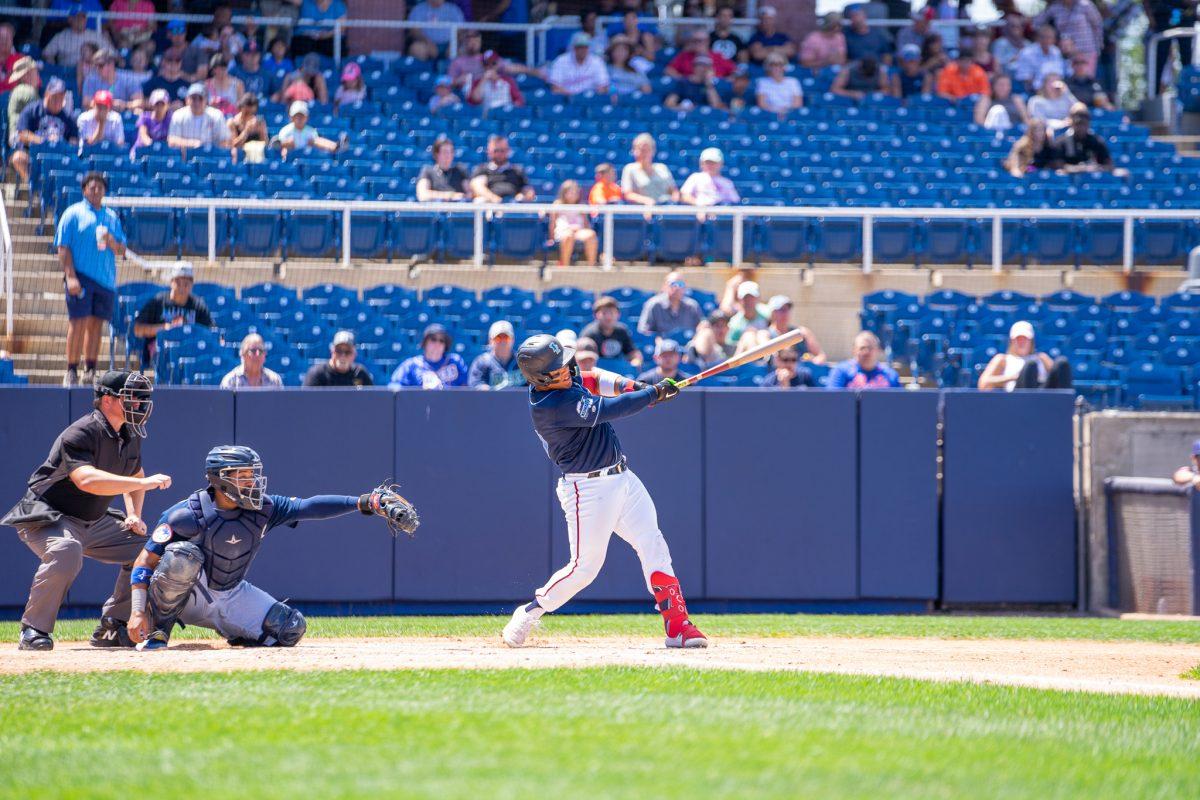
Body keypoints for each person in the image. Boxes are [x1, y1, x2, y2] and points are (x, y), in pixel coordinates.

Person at [501, 334, 706, 649]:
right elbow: (614, 409)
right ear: (543, 377)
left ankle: (678, 626)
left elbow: (594, 378)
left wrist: (633, 386)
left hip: (622, 477)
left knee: (652, 542)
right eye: (559, 367)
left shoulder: (561, 381)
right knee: (585, 568)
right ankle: (530, 612)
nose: (568, 369)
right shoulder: (553, 406)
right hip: (588, 489)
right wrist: (652, 394)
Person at [125, 446, 417, 650]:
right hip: (189, 596)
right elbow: (143, 562)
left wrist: (364, 502)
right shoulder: (186, 514)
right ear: (219, 478)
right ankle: (159, 630)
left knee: (290, 628)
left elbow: (309, 506)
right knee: (181, 557)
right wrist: (138, 612)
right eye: (242, 476)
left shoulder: (264, 508)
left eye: (252, 475)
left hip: (230, 592)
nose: (251, 482)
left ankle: (236, 632)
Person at [0, 370, 168, 651]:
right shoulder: (80, 432)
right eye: (129, 396)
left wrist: (134, 514)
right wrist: (144, 482)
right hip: (48, 516)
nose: (137, 403)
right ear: (106, 400)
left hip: (92, 519)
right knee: (66, 550)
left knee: (149, 550)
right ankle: (33, 629)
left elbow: (135, 475)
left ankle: (113, 626)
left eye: (139, 397)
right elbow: (87, 480)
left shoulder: (129, 434)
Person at [55, 172, 125, 387]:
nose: (96, 191)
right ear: (84, 189)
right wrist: (71, 276)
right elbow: (62, 247)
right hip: (81, 277)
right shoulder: (72, 214)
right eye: (92, 187)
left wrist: (112, 241)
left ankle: (90, 369)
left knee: (96, 326)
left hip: (105, 281)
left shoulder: (111, 217)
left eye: (100, 188)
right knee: (78, 323)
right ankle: (71, 370)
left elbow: (122, 249)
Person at [132, 264, 214, 367]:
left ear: (192, 285)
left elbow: (210, 331)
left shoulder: (198, 305)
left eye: (186, 283)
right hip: (163, 353)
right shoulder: (158, 301)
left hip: (190, 352)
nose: (182, 287)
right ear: (171, 282)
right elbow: (137, 329)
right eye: (178, 282)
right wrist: (164, 328)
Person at [9, 79, 78, 185]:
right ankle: (33, 185)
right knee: (18, 158)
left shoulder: (68, 117)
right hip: (33, 157)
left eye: (61, 96)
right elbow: (22, 134)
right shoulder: (32, 110)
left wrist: (61, 144)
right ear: (46, 93)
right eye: (55, 96)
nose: (58, 100)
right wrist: (45, 141)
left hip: (58, 159)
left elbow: (74, 141)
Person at [977, 320, 1072, 391]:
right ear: (1011, 341)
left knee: (1061, 363)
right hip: (1018, 397)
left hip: (1042, 395)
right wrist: (1014, 377)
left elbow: (1057, 377)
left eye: (1025, 339)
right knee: (1030, 365)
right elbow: (983, 383)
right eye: (1018, 339)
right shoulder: (1003, 359)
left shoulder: (1041, 358)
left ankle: (1065, 407)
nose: (1021, 343)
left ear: (1031, 341)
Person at [1035, 0, 1103, 77]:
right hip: (1067, 53)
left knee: (1086, 80)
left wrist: (1098, 46)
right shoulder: (1056, 7)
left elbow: (1097, 25)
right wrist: (1054, 38)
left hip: (1086, 51)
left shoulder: (1085, 4)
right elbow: (1037, 23)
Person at [390, 323, 469, 389]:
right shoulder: (412, 364)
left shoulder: (455, 361)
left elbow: (467, 387)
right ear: (425, 342)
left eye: (441, 341)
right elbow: (394, 387)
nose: (437, 344)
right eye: (433, 339)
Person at [760, 294, 826, 363]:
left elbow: (821, 356)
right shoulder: (765, 334)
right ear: (772, 312)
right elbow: (770, 356)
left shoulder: (802, 333)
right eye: (781, 310)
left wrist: (812, 362)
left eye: (787, 309)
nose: (785, 313)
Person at [470, 135, 536, 203]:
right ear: (489, 151)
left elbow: (527, 190)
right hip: (489, 204)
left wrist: (523, 196)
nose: (499, 154)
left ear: (508, 151)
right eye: (496, 150)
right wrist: (494, 199)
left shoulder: (517, 171)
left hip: (512, 205)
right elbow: (477, 186)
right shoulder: (482, 169)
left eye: (502, 150)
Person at [1056, 103, 1118, 174]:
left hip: (1092, 182)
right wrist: (1081, 169)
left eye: (1083, 124)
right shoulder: (1061, 142)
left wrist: (1097, 168)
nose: (1081, 128)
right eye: (1078, 124)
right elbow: (1057, 167)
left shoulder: (1096, 141)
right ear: (1071, 123)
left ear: (1088, 123)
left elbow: (1109, 165)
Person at [581, 295, 642, 367]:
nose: (608, 317)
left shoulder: (622, 331)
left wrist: (636, 361)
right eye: (604, 313)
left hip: (617, 371)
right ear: (595, 315)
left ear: (618, 315)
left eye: (612, 313)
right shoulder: (589, 334)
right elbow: (582, 359)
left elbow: (632, 353)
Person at [638, 271, 703, 338]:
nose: (677, 288)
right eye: (673, 284)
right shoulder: (653, 305)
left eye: (680, 284)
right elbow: (644, 331)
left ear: (685, 288)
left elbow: (701, 329)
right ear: (664, 286)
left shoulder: (692, 306)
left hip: (688, 345)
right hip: (662, 345)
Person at [43, 5, 112, 67]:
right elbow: (47, 53)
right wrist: (51, 63)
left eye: (83, 17)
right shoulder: (61, 36)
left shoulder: (96, 36)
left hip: (91, 72)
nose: (81, 20)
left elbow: (112, 54)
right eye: (77, 17)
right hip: (67, 73)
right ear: (70, 19)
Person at [621, 133, 679, 206]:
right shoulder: (630, 169)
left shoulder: (662, 168)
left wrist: (674, 201)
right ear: (634, 151)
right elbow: (628, 194)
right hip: (641, 211)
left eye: (647, 150)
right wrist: (647, 201)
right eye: (641, 150)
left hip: (665, 209)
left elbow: (673, 190)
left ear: (653, 151)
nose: (644, 153)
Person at [168, 83, 231, 151]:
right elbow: (172, 140)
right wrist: (193, 144)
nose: (197, 102)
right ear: (187, 100)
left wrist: (209, 149)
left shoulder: (216, 115)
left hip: (210, 157)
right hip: (185, 158)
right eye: (194, 98)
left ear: (206, 100)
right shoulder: (178, 115)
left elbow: (225, 140)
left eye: (200, 98)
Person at [827, 331, 900, 389]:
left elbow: (898, 403)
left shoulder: (890, 375)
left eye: (870, 348)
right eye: (862, 348)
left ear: (878, 350)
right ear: (854, 350)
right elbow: (832, 401)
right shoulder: (840, 371)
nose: (866, 352)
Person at [551, 180, 598, 267]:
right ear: (564, 193)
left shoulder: (581, 206)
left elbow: (586, 223)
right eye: (570, 192)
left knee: (591, 234)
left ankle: (591, 266)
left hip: (578, 231)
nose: (573, 194)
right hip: (563, 232)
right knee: (569, 235)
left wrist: (585, 229)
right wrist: (551, 238)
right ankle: (565, 266)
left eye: (575, 192)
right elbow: (552, 223)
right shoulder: (557, 204)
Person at [303, 330, 374, 386]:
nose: (342, 356)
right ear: (332, 352)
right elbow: (306, 401)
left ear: (354, 354)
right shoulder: (317, 374)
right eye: (338, 351)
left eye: (347, 352)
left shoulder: (359, 373)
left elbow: (372, 400)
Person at [468, 320, 525, 389]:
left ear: (512, 340)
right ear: (490, 340)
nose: (503, 342)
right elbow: (475, 385)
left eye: (506, 338)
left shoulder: (523, 362)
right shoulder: (481, 362)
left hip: (520, 399)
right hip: (489, 399)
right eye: (498, 338)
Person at [275, 100, 340, 154]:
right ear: (291, 117)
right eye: (297, 116)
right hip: (290, 162)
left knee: (317, 141)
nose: (299, 118)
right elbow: (278, 148)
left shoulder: (311, 131)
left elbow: (315, 150)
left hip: (308, 162)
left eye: (302, 116)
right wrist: (286, 146)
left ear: (306, 117)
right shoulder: (285, 131)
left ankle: (336, 147)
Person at [417, 137, 471, 201]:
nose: (448, 155)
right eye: (445, 152)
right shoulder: (428, 171)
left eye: (451, 152)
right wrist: (448, 196)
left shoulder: (460, 170)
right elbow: (422, 195)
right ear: (436, 154)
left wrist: (462, 197)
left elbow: (470, 194)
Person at [667, 30, 735, 80]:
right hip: (690, 90)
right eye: (695, 41)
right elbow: (669, 70)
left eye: (700, 40)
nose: (697, 43)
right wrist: (686, 79)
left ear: (708, 41)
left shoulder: (718, 56)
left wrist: (723, 81)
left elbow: (735, 72)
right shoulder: (685, 56)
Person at [725, 279, 769, 346]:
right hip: (745, 353)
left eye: (752, 297)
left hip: (765, 345)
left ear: (758, 298)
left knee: (762, 334)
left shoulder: (767, 313)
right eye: (746, 298)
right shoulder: (735, 323)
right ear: (740, 299)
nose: (749, 301)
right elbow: (730, 344)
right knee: (749, 336)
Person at [5, 58, 39, 141]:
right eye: (35, 73)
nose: (38, 76)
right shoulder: (25, 90)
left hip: (20, 137)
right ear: (26, 75)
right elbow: (40, 112)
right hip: (20, 140)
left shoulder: (19, 89)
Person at [227, 93, 269, 161]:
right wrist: (246, 131)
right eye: (247, 112)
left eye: (252, 112)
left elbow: (266, 145)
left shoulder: (259, 123)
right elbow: (233, 146)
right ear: (241, 108)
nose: (249, 115)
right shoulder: (232, 123)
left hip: (256, 158)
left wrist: (262, 132)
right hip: (239, 158)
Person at [131, 88, 172, 154]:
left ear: (167, 105)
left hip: (161, 153)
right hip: (142, 150)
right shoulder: (144, 117)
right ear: (152, 104)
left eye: (162, 104)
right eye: (157, 104)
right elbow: (143, 136)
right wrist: (154, 146)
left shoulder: (171, 119)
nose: (160, 107)